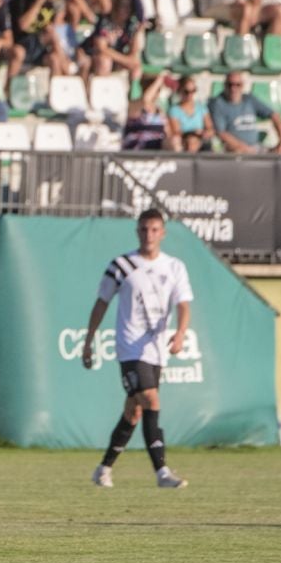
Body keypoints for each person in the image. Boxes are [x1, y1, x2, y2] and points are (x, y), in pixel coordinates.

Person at [81, 209, 192, 491]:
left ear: (163, 233)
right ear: (137, 231)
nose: (149, 235)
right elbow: (102, 302)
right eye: (144, 229)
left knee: (134, 412)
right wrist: (89, 340)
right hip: (130, 348)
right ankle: (162, 472)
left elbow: (183, 304)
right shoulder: (122, 265)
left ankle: (103, 469)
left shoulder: (174, 267)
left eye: (154, 230)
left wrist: (179, 333)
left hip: (156, 350)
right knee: (150, 400)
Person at [207, 69, 281, 151]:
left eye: (238, 85)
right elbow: (221, 133)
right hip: (233, 150)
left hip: (255, 147)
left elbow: (274, 115)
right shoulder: (218, 104)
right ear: (224, 85)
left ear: (242, 85)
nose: (233, 88)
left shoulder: (249, 99)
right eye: (230, 85)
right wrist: (245, 149)